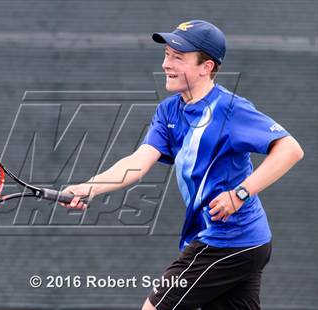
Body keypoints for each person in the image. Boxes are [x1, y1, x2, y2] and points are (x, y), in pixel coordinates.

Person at [60, 20, 304, 310]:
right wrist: (89, 188)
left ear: (207, 67)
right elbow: (138, 162)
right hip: (246, 243)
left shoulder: (230, 109)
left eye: (178, 57)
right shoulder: (168, 111)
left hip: (228, 239)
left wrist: (240, 194)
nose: (166, 64)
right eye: (166, 54)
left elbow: (290, 148)